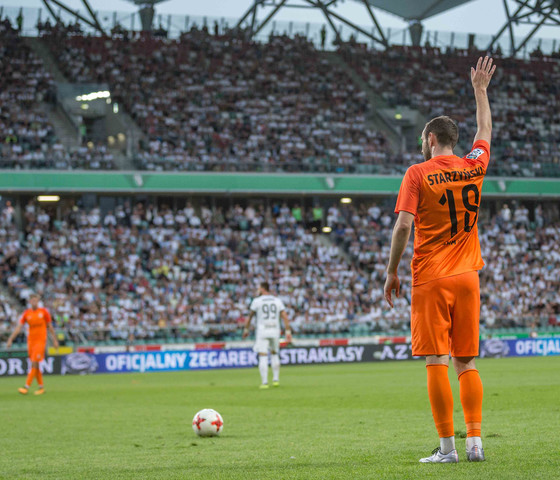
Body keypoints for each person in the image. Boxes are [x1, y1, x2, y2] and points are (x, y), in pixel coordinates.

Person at [384, 56, 496, 463]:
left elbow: (402, 227)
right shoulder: (473, 166)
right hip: (469, 276)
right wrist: (480, 91)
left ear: (431, 139)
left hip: (431, 276)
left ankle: (447, 448)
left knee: (437, 359)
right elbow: (484, 130)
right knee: (466, 360)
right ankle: (476, 443)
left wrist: (392, 270)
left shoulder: (417, 173)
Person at [6, 293, 59, 395]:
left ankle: (26, 386)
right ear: (30, 302)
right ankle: (41, 387)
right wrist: (10, 339)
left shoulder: (44, 312)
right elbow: (19, 327)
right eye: (32, 300)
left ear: (38, 301)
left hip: (40, 341)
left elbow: (50, 327)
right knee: (36, 365)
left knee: (34, 362)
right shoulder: (27, 313)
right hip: (31, 341)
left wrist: (55, 340)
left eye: (36, 300)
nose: (34, 302)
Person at [242, 282, 292, 389]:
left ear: (263, 289)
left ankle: (264, 382)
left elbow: (250, 317)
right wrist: (288, 332)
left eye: (259, 288)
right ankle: (276, 379)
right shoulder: (277, 300)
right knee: (275, 353)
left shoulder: (257, 301)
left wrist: (246, 329)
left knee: (263, 355)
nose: (257, 290)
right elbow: (284, 316)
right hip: (275, 330)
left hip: (262, 331)